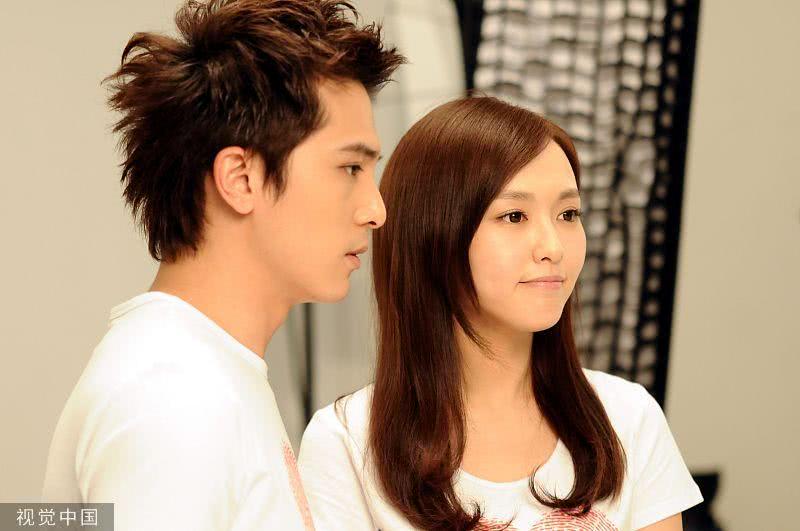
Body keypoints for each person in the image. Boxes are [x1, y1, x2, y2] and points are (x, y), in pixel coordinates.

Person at [41, 1, 404, 530]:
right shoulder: (173, 396)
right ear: (240, 178)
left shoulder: (201, 375)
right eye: (350, 167)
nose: (376, 210)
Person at [298, 96, 703, 531]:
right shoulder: (347, 442)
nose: (553, 247)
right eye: (514, 216)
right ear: (433, 233)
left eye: (568, 214)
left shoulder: (628, 418)